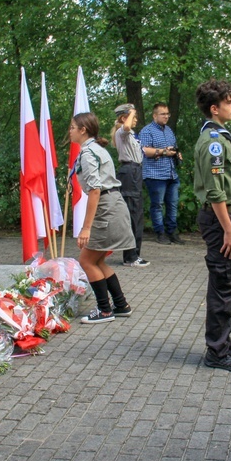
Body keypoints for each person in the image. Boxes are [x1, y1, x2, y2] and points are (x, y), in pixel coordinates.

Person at [193, 79, 231, 371]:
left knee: (226, 281)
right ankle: (216, 352)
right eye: (229, 102)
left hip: (228, 218)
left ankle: (224, 342)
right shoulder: (213, 143)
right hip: (222, 220)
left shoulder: (221, 138)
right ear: (214, 108)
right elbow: (215, 191)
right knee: (222, 285)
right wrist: (229, 229)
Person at [71, 112, 135, 324]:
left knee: (86, 260)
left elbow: (95, 190)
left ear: (83, 130)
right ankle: (121, 305)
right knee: (97, 259)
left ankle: (105, 310)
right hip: (112, 204)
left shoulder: (89, 153)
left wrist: (86, 228)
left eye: (72, 127)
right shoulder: (95, 148)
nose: (70, 131)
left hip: (106, 207)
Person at [138, 102, 184, 245]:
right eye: (163, 114)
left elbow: (172, 148)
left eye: (167, 114)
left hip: (171, 173)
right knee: (157, 205)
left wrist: (177, 154)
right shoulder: (147, 131)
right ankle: (160, 233)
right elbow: (144, 150)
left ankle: (172, 232)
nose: (166, 116)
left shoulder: (169, 131)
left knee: (173, 204)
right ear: (154, 115)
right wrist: (164, 151)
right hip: (155, 174)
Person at [111, 103, 149, 268]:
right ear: (124, 117)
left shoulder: (131, 136)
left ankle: (134, 254)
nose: (135, 120)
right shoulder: (122, 132)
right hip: (130, 172)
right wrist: (132, 111)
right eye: (133, 116)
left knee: (137, 215)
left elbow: (142, 152)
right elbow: (126, 126)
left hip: (135, 172)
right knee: (133, 215)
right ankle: (130, 257)